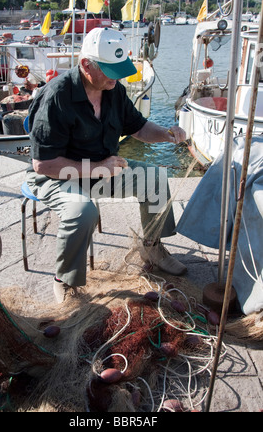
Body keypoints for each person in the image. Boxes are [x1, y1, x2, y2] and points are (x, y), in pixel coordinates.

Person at [26, 27, 187, 304]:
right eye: (111, 69)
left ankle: (152, 248)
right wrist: (98, 167)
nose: (120, 76)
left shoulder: (114, 90)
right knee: (82, 211)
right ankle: (65, 279)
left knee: (155, 178)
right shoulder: (57, 97)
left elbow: (139, 128)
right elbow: (43, 164)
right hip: (57, 175)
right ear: (86, 65)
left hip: (102, 168)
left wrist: (167, 134)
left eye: (121, 68)